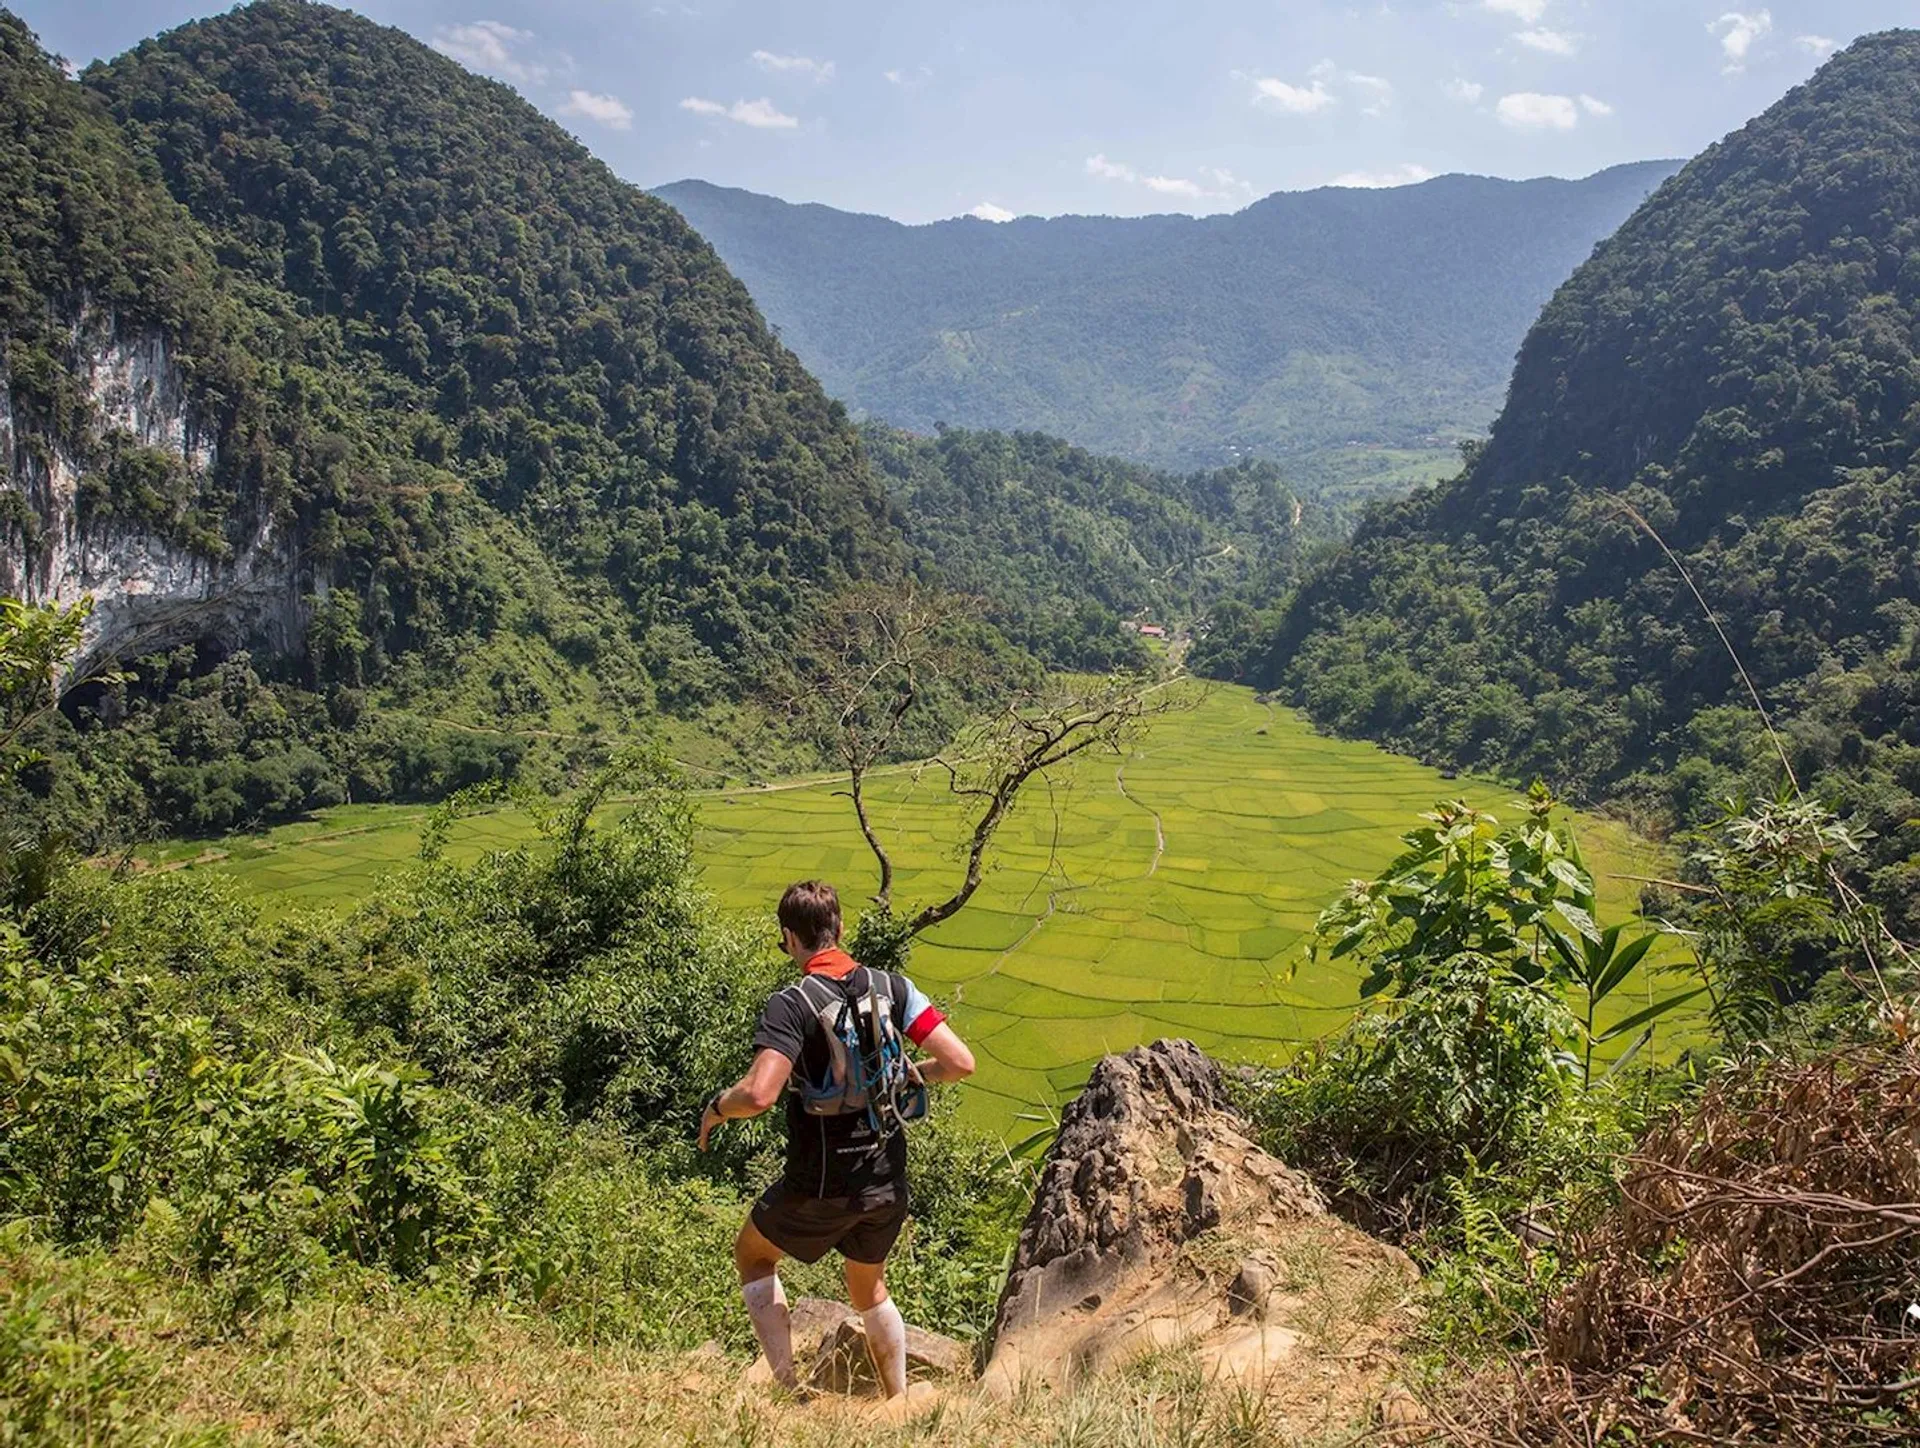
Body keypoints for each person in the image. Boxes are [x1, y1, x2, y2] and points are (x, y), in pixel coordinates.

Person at [698, 880, 975, 1400]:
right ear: (839, 929)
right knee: (868, 1288)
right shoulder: (893, 987)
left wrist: (715, 1110)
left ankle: (786, 1388)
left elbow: (759, 1094)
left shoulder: (792, 1004)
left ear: (789, 937)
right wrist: (910, 1074)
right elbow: (961, 1063)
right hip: (887, 1180)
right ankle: (897, 1401)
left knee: (754, 1254)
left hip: (820, 1182)